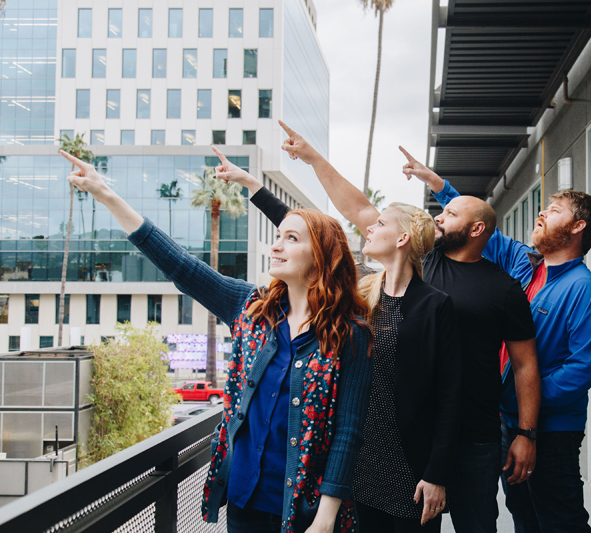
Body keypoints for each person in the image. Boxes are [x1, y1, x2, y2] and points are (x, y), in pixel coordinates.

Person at [59, 150, 375, 533]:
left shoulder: (350, 333)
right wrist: (106, 194)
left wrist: (325, 519)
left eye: (290, 238)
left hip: (308, 509)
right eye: (278, 236)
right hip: (244, 498)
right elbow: (179, 265)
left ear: (322, 256)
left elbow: (348, 431)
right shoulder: (250, 307)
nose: (276, 245)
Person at [264, 123, 540, 533]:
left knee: (477, 526)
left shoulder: (501, 288)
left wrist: (525, 433)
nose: (440, 218)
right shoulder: (421, 268)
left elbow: (524, 366)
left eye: (449, 213)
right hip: (402, 437)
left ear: (477, 229)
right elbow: (352, 213)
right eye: (440, 214)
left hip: (475, 435)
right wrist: (311, 158)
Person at [211, 138, 463, 533]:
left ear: (401, 239)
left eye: (379, 224)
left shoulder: (435, 305)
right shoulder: (361, 291)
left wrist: (437, 473)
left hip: (405, 460)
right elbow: (311, 238)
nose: (369, 227)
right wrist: (251, 185)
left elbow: (450, 395)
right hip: (351, 459)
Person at [402, 149, 591, 533]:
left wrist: (520, 400)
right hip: (508, 420)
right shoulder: (526, 265)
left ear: (579, 227)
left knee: (559, 517)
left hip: (551, 428)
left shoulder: (585, 290)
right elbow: (475, 226)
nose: (543, 212)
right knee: (523, 512)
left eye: (555, 209)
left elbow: (585, 367)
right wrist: (436, 184)